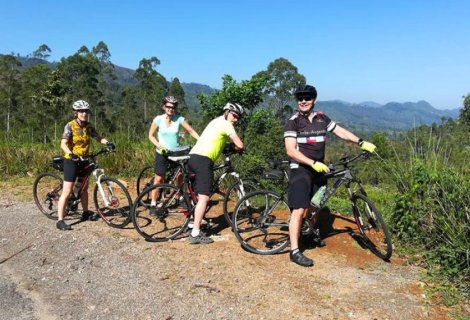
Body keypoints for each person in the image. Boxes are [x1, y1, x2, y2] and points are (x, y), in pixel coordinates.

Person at [284, 85, 376, 267]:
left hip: (319, 171)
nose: (303, 101)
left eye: (307, 98)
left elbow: (340, 131)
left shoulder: (321, 118)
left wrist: (361, 142)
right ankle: (294, 251)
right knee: (299, 210)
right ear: (297, 101)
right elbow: (290, 151)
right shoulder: (293, 121)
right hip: (301, 169)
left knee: (316, 205)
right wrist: (312, 163)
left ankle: (308, 233)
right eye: (300, 98)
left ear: (314, 100)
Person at [187, 103, 245, 244]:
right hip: (203, 160)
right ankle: (195, 233)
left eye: (238, 117)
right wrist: (237, 148)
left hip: (193, 157)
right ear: (226, 112)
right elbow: (240, 144)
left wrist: (227, 146)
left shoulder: (215, 121)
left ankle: (191, 222)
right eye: (234, 115)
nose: (235, 119)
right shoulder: (226, 125)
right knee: (204, 197)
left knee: (196, 194)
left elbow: (215, 140)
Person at [56, 100, 115, 231]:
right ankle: (60, 220)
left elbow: (98, 137)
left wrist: (108, 143)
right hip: (71, 160)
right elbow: (63, 144)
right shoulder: (70, 126)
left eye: (86, 111)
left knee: (84, 188)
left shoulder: (88, 126)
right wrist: (71, 154)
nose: (84, 113)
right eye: (81, 111)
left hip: (85, 160)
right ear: (76, 113)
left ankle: (85, 212)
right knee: (67, 191)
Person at [148, 96, 199, 215]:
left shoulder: (179, 119)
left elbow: (191, 131)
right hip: (162, 152)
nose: (170, 109)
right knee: (159, 179)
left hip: (176, 153)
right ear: (164, 107)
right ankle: (153, 203)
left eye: (173, 107)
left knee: (180, 176)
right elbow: (150, 135)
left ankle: (181, 197)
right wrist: (159, 146)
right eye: (168, 107)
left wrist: (201, 140)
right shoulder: (158, 119)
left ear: (175, 108)